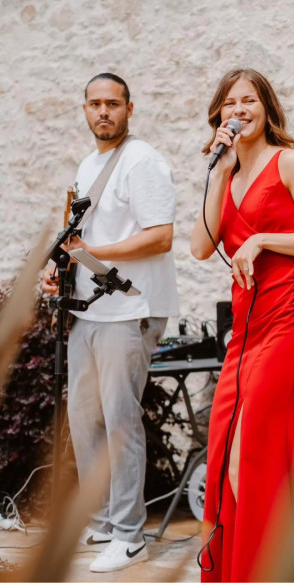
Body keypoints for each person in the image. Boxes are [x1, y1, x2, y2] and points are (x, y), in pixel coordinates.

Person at [191, 68, 294, 581]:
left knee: (251, 461)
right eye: (230, 103)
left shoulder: (289, 163)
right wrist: (220, 172)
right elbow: (201, 247)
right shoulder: (227, 174)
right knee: (225, 459)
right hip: (246, 336)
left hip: (290, 325)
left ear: (267, 108)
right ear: (219, 115)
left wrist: (263, 240)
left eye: (250, 100)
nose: (239, 110)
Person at [42, 73, 179, 573]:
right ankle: (101, 520)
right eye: (95, 104)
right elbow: (82, 241)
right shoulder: (89, 164)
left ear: (129, 108)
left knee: (120, 420)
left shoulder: (141, 161)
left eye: (113, 104)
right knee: (85, 418)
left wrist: (93, 250)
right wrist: (60, 270)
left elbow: (161, 236)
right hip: (89, 309)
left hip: (130, 311)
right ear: (84, 109)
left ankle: (129, 534)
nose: (104, 112)